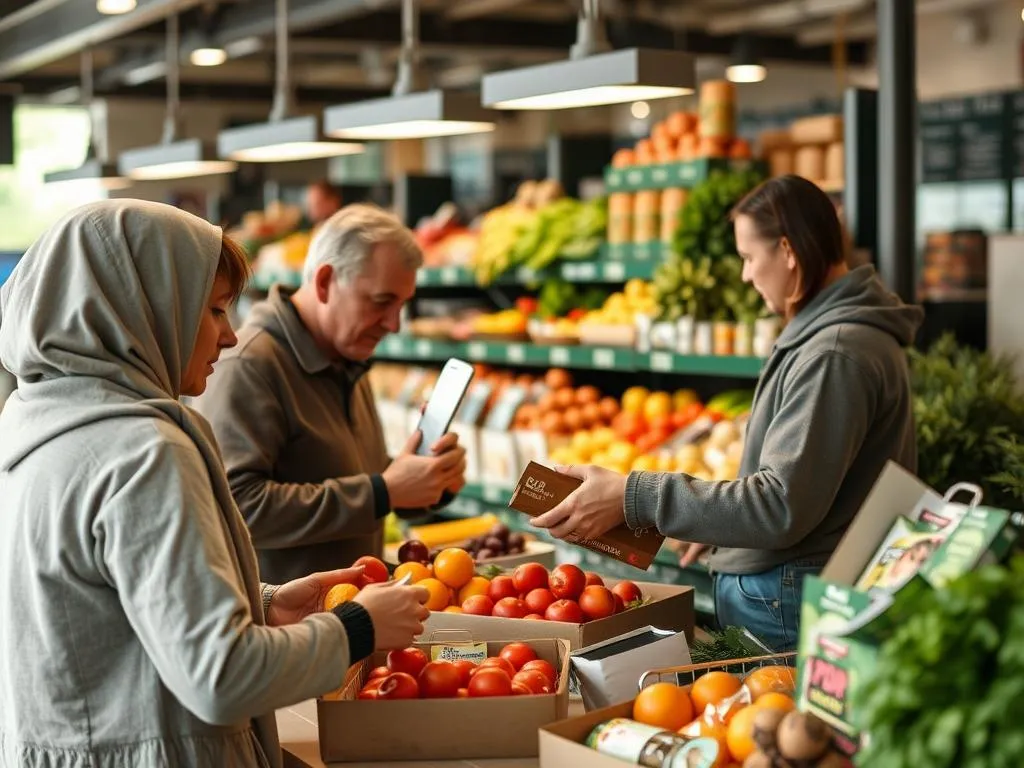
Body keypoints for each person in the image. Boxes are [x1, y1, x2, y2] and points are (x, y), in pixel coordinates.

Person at [0, 200, 429, 767]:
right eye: (216, 310)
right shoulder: (144, 452)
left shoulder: (37, 420)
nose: (228, 338)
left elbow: (109, 608)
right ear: (145, 309)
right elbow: (221, 677)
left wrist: (264, 603)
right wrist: (358, 627)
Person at [530, 175, 924, 652]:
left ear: (788, 251)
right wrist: (714, 524)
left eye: (748, 258)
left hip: (790, 594)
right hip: (795, 582)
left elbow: (780, 505)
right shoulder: (833, 336)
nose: (745, 276)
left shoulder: (833, 352)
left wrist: (634, 496)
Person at [194, 203, 466, 584]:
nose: (394, 324)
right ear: (324, 282)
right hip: (287, 630)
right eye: (381, 301)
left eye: (402, 305)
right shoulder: (248, 365)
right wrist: (381, 492)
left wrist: (423, 482)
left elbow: (338, 470)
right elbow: (237, 506)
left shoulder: (344, 355)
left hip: (351, 619)